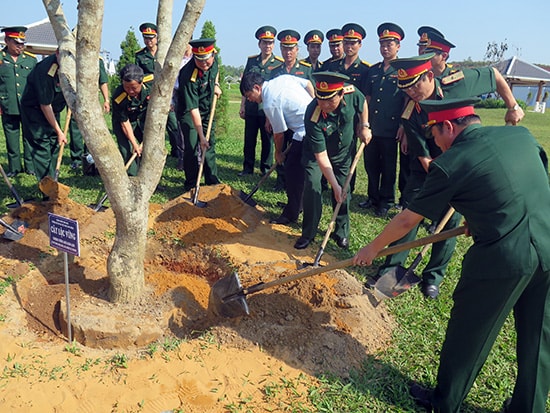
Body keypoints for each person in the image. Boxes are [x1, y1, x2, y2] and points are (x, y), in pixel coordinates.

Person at [353, 97, 550, 413]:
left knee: (469, 332)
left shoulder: (452, 162)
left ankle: (444, 402)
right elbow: (526, 180)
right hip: (548, 242)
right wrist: (483, 214)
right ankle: (529, 407)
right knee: (539, 334)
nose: (437, 148)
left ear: (448, 126)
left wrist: (372, 248)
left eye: (435, 138)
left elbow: (407, 219)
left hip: (504, 258)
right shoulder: (521, 135)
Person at [370, 53, 525, 298]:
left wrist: (512, 106)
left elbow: (494, 75)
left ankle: (433, 277)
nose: (411, 92)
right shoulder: (410, 113)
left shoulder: (458, 83)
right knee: (411, 212)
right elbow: (423, 157)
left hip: (465, 162)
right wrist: (445, 182)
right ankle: (391, 266)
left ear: (430, 75)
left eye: (415, 85)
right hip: (429, 169)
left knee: (449, 222)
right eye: (405, 88)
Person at [299, 72, 371, 250]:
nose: (324, 105)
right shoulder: (312, 114)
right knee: (313, 185)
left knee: (344, 191)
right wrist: (334, 186)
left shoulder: (352, 93)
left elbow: (363, 103)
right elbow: (322, 157)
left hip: (343, 153)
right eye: (320, 99)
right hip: (317, 155)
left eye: (329, 100)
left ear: (340, 94)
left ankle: (341, 232)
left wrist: (365, 125)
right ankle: (308, 233)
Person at [240, 71, 314, 227]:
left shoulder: (269, 103)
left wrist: (278, 153)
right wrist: (314, 105)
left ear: (256, 88)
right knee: (298, 172)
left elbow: (279, 134)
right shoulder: (282, 79)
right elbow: (307, 83)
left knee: (293, 173)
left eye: (249, 95)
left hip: (306, 131)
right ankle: (296, 205)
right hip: (308, 126)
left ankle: (291, 214)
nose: (250, 100)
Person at [360, 22, 406, 217]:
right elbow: (367, 98)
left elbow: (406, 99)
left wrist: (403, 124)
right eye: (382, 44)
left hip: (391, 127)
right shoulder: (374, 70)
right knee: (370, 164)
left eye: (390, 44)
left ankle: (386, 201)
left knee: (388, 166)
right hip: (373, 126)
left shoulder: (403, 70)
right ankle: (372, 196)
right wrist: (364, 123)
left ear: (398, 46)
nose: (385, 48)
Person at [176, 38, 222, 192]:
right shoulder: (187, 75)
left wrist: (216, 84)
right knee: (192, 144)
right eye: (199, 60)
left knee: (209, 144)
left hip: (207, 108)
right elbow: (193, 109)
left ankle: (212, 181)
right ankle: (191, 183)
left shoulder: (213, 63)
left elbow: (216, 71)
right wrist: (201, 136)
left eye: (206, 59)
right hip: (189, 113)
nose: (204, 63)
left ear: (212, 55)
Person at [270, 29, 312, 192]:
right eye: (285, 48)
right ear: (281, 49)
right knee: (281, 146)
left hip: (299, 120)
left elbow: (311, 93)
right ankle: (281, 180)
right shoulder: (275, 71)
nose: (288, 52)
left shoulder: (306, 69)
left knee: (297, 152)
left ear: (297, 49)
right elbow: (271, 98)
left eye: (291, 48)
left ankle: (297, 181)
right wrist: (269, 120)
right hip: (281, 119)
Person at [238, 26, 282, 177]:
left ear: (273, 44)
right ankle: (247, 168)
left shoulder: (278, 63)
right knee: (249, 139)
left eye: (270, 43)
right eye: (264, 43)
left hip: (267, 109)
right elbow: (245, 85)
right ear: (259, 44)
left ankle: (265, 169)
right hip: (251, 107)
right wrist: (242, 105)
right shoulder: (252, 61)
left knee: (267, 140)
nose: (267, 46)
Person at [20, 49, 68, 187]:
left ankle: (53, 181)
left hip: (54, 110)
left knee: (54, 144)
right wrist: (59, 131)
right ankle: (47, 190)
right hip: (35, 111)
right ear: (57, 53)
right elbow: (45, 105)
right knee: (42, 147)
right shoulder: (46, 71)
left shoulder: (70, 67)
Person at [135, 22, 180, 163]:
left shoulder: (165, 52)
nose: (149, 41)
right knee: (146, 122)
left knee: (172, 123)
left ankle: (177, 150)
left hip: (166, 93)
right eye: (146, 38)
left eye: (151, 38)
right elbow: (137, 76)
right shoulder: (140, 55)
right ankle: (147, 149)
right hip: (147, 92)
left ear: (157, 37)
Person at [0, 26, 37, 177]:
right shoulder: (1, 59)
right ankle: (14, 168)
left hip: (27, 106)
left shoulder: (31, 60)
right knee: (11, 137)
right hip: (7, 104)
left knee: (29, 136)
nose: (21, 47)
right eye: (17, 43)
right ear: (7, 41)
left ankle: (30, 166)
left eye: (22, 43)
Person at [67, 57, 110, 170]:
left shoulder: (97, 60)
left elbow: (103, 81)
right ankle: (76, 159)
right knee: (75, 129)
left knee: (92, 129)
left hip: (91, 100)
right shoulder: (71, 59)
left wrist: (106, 99)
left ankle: (90, 156)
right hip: (75, 98)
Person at [111, 64, 152, 176]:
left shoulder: (152, 83)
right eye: (126, 87)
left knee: (149, 148)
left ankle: (148, 178)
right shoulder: (119, 97)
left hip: (143, 119)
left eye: (134, 88)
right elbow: (125, 123)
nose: (130, 91)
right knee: (126, 150)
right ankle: (132, 178)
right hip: (124, 121)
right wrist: (134, 144)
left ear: (141, 82)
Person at [331, 23, 370, 94]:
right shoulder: (333, 66)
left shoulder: (365, 69)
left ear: (360, 45)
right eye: (346, 43)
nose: (349, 46)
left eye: (352, 44)